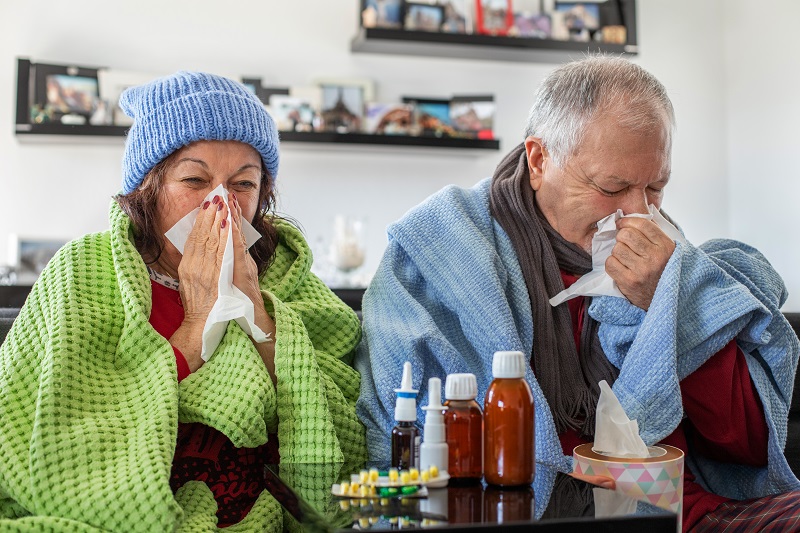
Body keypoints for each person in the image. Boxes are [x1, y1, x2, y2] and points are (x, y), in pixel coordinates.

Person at [355, 55, 800, 531]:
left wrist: (671, 305)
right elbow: (394, 442)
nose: (637, 214)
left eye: (656, 187)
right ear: (539, 160)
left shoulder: (672, 260)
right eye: (613, 187)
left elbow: (749, 448)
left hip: (675, 513)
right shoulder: (442, 250)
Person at [0, 71, 366, 531]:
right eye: (195, 179)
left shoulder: (289, 280)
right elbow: (59, 439)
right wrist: (196, 324)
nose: (220, 203)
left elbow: (343, 431)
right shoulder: (86, 269)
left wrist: (257, 313)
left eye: (244, 184)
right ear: (147, 190)